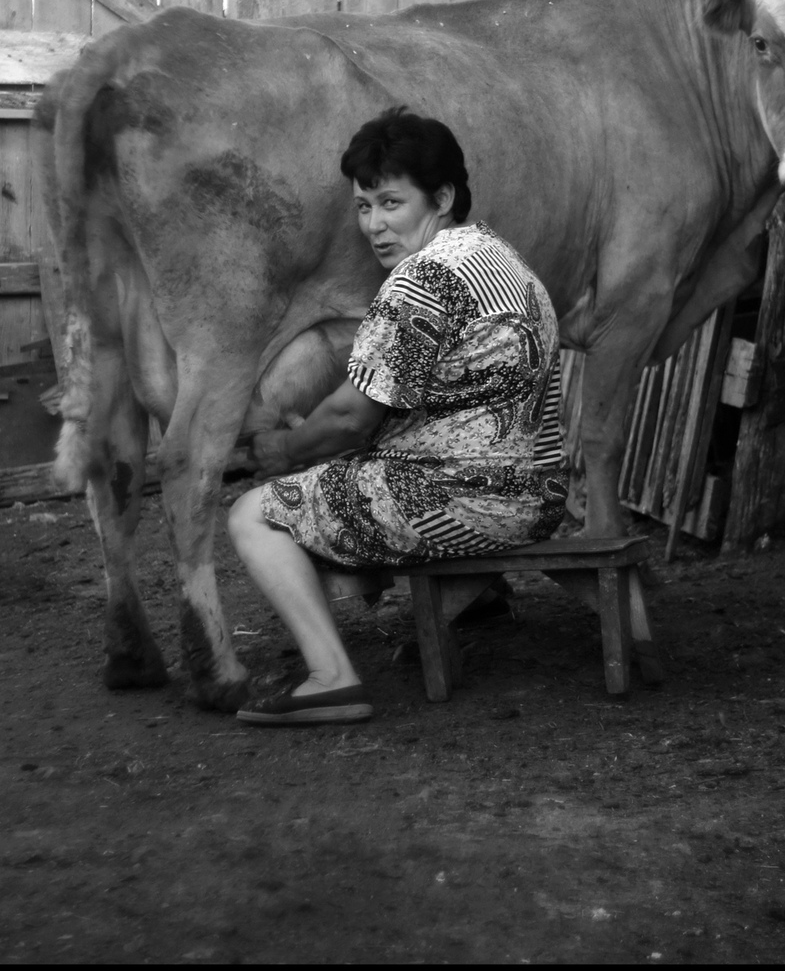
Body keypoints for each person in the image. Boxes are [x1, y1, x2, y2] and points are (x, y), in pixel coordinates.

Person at [226, 107, 567, 726]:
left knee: (254, 515)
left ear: (441, 196)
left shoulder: (424, 278)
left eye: (391, 202)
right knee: (356, 473)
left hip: (468, 503)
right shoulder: (504, 261)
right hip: (538, 495)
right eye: (364, 207)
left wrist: (283, 448)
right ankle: (477, 605)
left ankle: (332, 679)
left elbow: (353, 414)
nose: (375, 226)